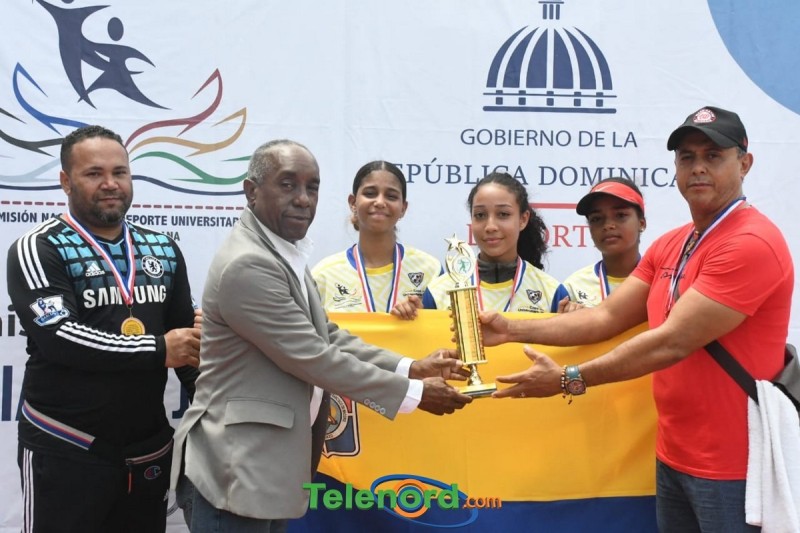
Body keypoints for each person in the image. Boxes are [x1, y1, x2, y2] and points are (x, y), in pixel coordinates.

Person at [481, 106, 794, 532]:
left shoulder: (752, 242)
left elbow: (670, 342)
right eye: (686, 157)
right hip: (673, 456)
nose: (698, 168)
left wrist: (568, 379)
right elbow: (605, 317)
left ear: (744, 164)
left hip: (734, 467)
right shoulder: (673, 243)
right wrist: (510, 329)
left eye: (713, 156)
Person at [171, 139, 473, 532]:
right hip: (236, 470)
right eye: (287, 185)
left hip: (264, 467)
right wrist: (413, 393)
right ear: (251, 191)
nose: (302, 199)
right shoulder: (249, 263)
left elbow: (327, 334)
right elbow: (313, 356)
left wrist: (410, 367)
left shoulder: (283, 252)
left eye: (311, 187)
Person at [6, 125, 201, 533]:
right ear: (66, 181)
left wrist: (216, 407)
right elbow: (60, 337)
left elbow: (185, 343)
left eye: (120, 172)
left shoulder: (163, 248)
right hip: (66, 445)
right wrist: (158, 349)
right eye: (94, 173)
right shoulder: (40, 247)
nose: (110, 184)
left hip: (147, 450)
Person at [312, 160, 442, 320]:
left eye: (391, 196)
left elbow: (447, 329)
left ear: (403, 208)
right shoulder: (324, 275)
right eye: (370, 193)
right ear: (353, 203)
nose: (380, 202)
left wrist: (423, 316)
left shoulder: (430, 270)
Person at [422, 171, 560, 314]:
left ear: (523, 219)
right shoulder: (438, 292)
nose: (490, 226)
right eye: (480, 215)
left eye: (503, 214)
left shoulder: (552, 293)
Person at [554, 177, 647, 313]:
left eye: (620, 215)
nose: (608, 225)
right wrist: (566, 320)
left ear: (641, 223)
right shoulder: (573, 288)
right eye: (596, 219)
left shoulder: (663, 281)